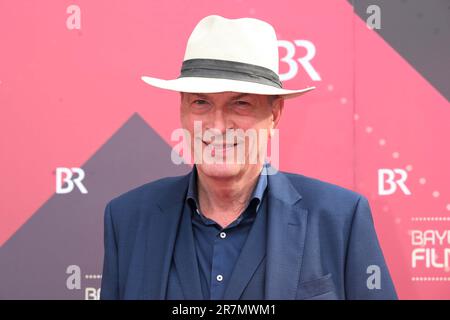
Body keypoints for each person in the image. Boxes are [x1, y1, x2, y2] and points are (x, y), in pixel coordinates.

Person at [100, 15, 397, 300]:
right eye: (201, 102)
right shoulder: (127, 219)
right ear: (182, 111)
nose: (217, 126)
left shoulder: (339, 218)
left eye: (240, 104)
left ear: (275, 114)